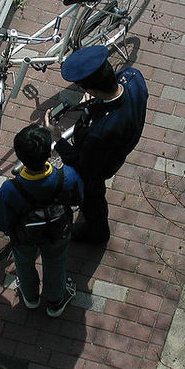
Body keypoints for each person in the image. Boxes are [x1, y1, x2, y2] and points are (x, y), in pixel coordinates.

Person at [44, 45, 148, 244]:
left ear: (90, 89)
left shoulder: (101, 132)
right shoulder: (133, 76)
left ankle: (97, 234)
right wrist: (97, 98)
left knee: (92, 195)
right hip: (122, 140)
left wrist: (57, 138)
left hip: (101, 163)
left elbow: (82, 165)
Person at [0, 124, 83, 317]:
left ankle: (30, 297)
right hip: (58, 232)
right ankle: (56, 302)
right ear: (49, 153)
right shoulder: (68, 177)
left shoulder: (11, 189)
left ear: (20, 156)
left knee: (24, 263)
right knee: (56, 262)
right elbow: (78, 197)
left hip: (24, 237)